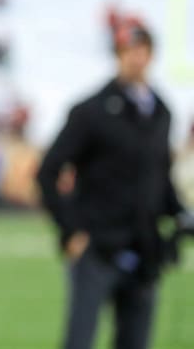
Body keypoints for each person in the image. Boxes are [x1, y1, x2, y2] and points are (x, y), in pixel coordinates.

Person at [37, 22, 190, 349]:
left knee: (135, 341)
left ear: (151, 55)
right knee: (80, 340)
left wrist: (180, 214)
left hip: (144, 248)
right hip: (97, 246)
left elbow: (159, 179)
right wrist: (70, 230)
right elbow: (48, 171)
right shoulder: (92, 111)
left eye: (140, 50)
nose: (134, 58)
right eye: (126, 52)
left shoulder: (161, 112)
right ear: (117, 56)